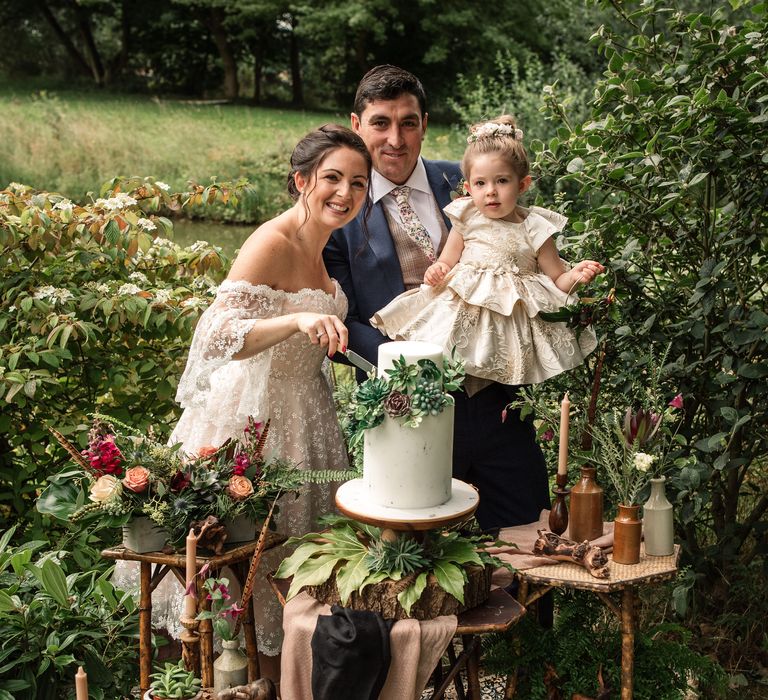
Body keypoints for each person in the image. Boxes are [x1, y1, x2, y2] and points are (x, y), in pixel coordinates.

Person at [116, 124, 371, 685]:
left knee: (289, 580)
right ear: (301, 180)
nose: (345, 193)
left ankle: (280, 689)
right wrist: (297, 318)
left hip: (310, 429)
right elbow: (216, 333)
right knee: (238, 579)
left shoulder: (321, 248)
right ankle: (209, 687)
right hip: (251, 428)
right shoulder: (271, 242)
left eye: (357, 182)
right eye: (332, 178)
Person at [324, 66, 551, 532]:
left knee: (527, 544)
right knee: (421, 569)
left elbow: (531, 250)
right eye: (380, 123)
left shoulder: (474, 179)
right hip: (409, 412)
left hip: (499, 402)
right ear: (356, 125)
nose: (395, 139)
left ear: (424, 124)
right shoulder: (339, 211)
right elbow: (342, 322)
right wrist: (416, 367)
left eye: (408, 122)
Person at [371, 115, 603, 386]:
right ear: (468, 188)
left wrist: (576, 275)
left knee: (501, 372)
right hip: (464, 314)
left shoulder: (536, 229)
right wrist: (438, 271)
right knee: (446, 361)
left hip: (509, 326)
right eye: (481, 183)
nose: (491, 192)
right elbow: (447, 260)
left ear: (522, 184)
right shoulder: (467, 218)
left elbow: (557, 281)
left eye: (502, 181)